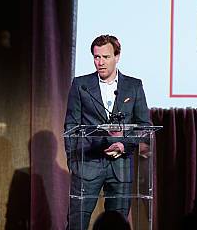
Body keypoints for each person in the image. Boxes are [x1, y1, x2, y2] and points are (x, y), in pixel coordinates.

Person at [64, 34, 150, 230]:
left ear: (117, 57)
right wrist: (73, 162)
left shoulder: (133, 86)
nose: (100, 62)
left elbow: (144, 125)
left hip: (120, 167)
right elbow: (70, 126)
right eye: (96, 57)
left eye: (106, 57)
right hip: (87, 165)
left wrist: (123, 145)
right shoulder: (81, 85)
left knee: (117, 225)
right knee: (76, 224)